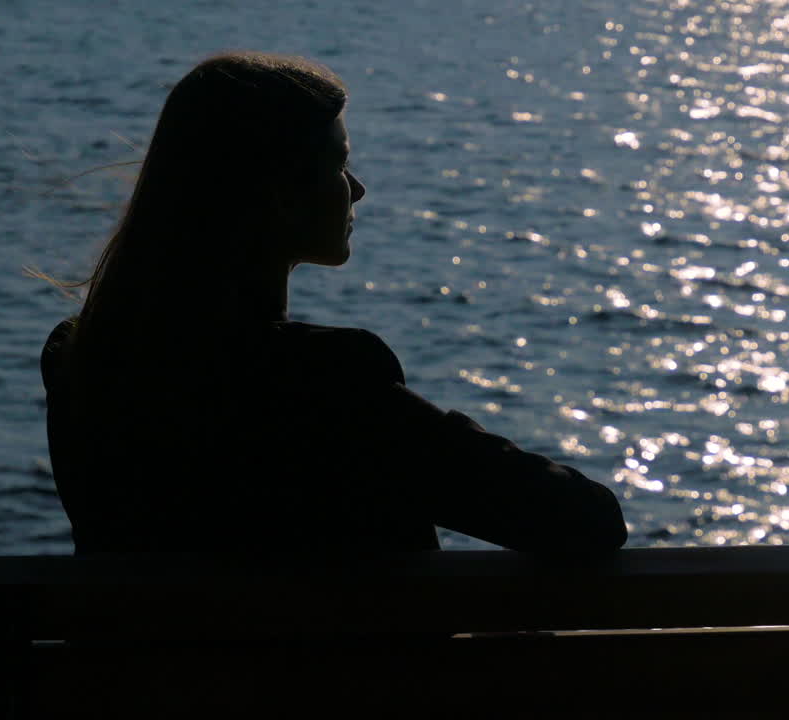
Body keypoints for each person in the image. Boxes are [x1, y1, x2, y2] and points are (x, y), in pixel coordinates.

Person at [36, 51, 627, 555]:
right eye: (340, 165)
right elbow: (585, 521)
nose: (359, 189)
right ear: (278, 196)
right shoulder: (326, 379)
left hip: (149, 687)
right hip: (342, 687)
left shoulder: (82, 362)